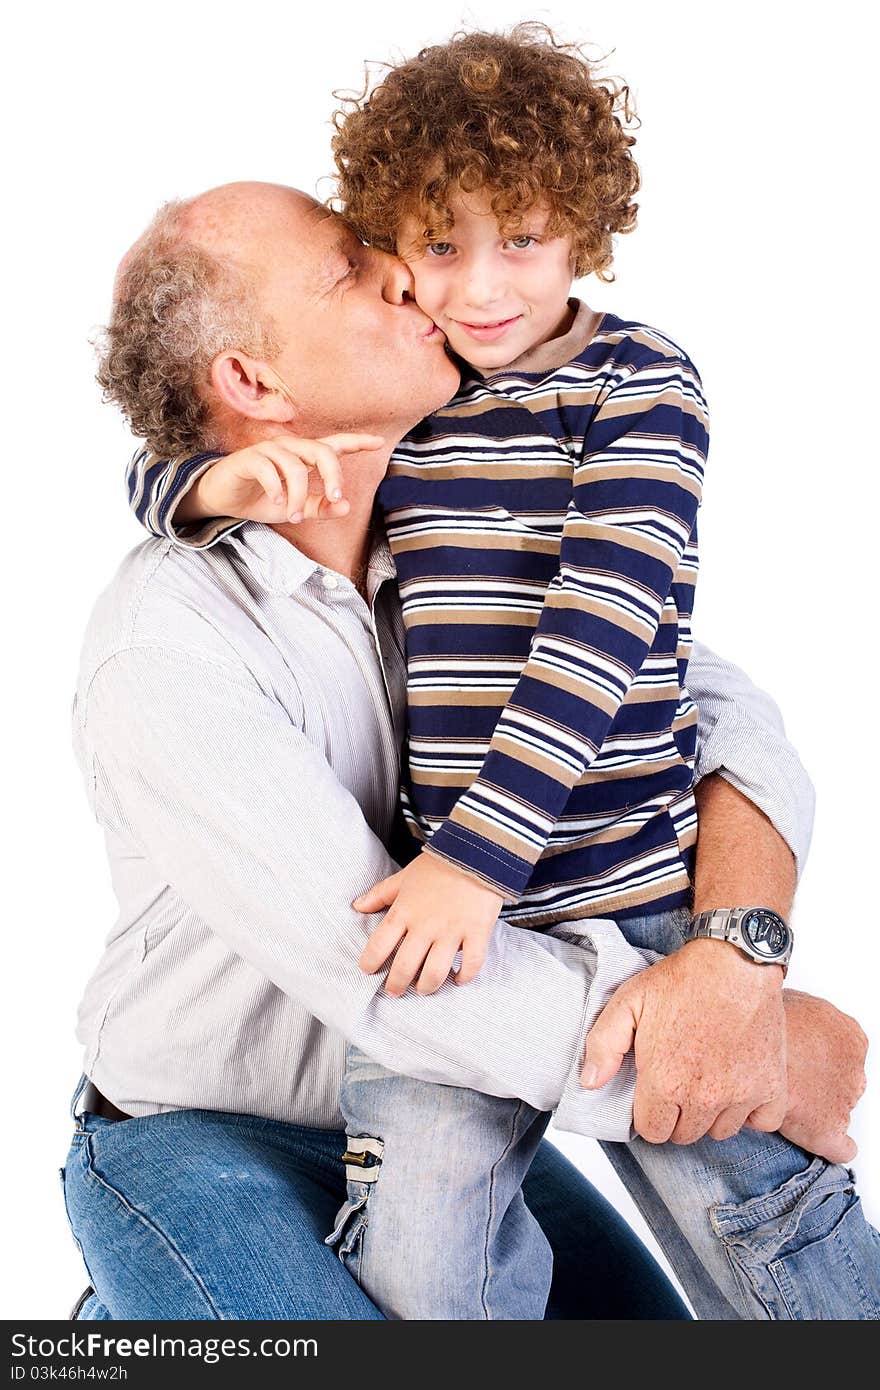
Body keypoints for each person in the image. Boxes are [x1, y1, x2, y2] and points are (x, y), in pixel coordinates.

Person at [117, 32, 879, 1319]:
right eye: (408, 255)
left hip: (616, 894)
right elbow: (164, 443)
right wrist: (202, 483)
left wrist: (727, 956)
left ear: (583, 231)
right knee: (420, 1257)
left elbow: (638, 646)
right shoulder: (196, 621)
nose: (454, 295)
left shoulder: (603, 385)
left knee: (766, 1239)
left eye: (518, 241)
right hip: (384, 1005)